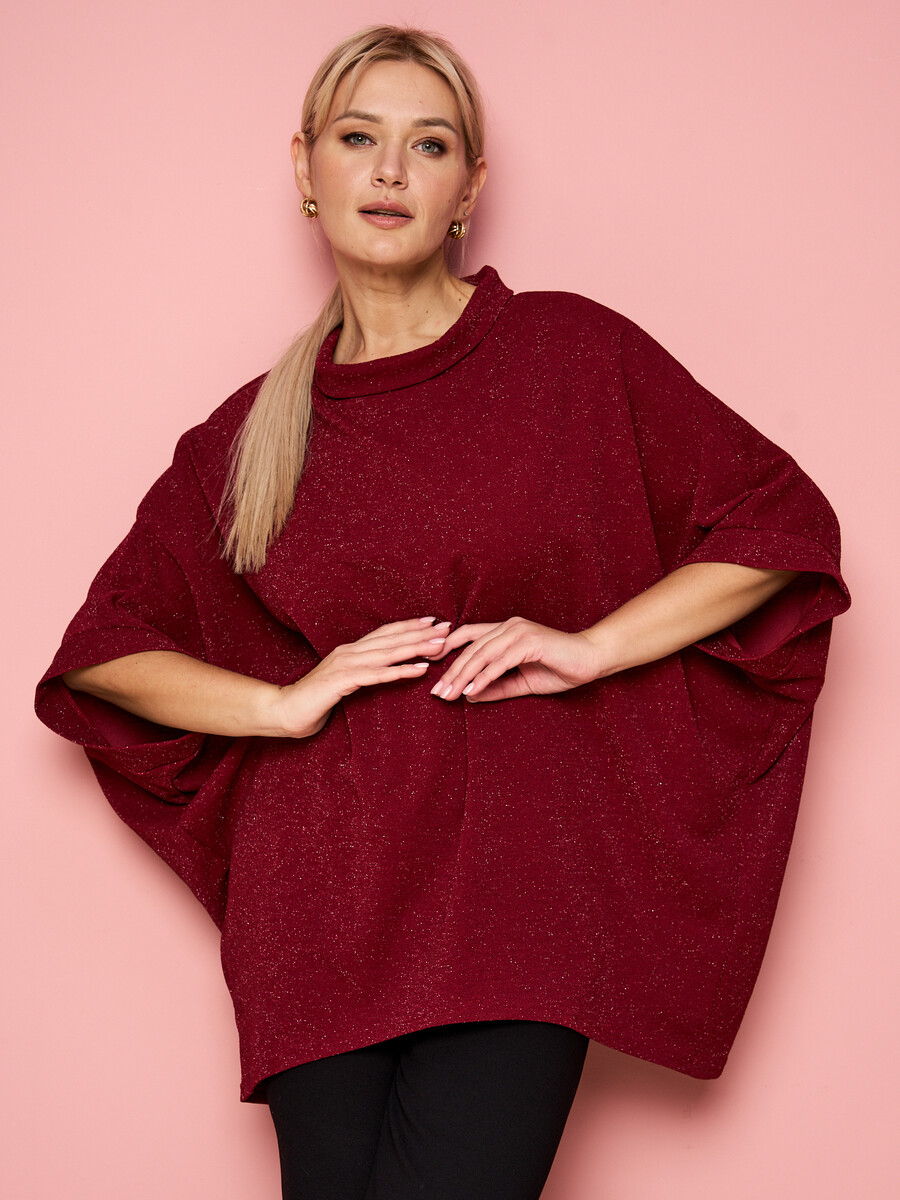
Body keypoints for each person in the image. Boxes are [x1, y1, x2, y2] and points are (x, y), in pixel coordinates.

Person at [34, 23, 851, 1200]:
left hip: (521, 890)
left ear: (469, 187)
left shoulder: (571, 353)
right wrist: (281, 704)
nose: (388, 170)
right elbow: (105, 652)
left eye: (428, 145)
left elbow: (779, 528)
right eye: (357, 138)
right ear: (305, 166)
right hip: (317, 905)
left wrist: (593, 648)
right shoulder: (249, 433)